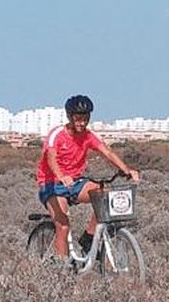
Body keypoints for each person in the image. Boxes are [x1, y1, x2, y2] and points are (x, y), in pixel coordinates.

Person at [36, 95, 139, 260]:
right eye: (78, 119)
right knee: (62, 226)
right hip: (52, 184)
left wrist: (127, 170)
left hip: (76, 183)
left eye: (85, 119)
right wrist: (61, 176)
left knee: (103, 193)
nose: (82, 123)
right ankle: (60, 270)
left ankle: (89, 238)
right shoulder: (57, 134)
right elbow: (51, 157)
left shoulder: (88, 135)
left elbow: (107, 151)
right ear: (70, 117)